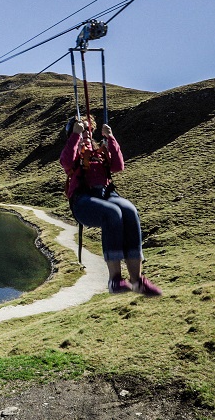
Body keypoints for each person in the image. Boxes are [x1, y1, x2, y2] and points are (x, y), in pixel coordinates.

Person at [60, 115, 161, 296]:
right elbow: (66, 162)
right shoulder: (74, 151)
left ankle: (137, 280)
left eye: (88, 132)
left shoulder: (100, 153)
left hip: (107, 194)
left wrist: (111, 138)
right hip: (83, 199)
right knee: (112, 213)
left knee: (130, 210)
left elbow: (118, 166)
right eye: (83, 132)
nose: (86, 135)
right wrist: (76, 135)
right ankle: (115, 280)